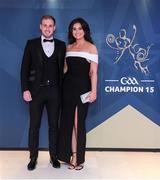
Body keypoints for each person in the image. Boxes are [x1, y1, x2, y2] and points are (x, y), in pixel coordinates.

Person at [21, 15, 66, 170]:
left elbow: (64, 70)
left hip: (55, 91)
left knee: (54, 126)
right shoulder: (31, 44)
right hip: (36, 92)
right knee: (34, 126)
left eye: (50, 25)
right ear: (40, 27)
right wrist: (25, 89)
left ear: (54, 28)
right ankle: (33, 157)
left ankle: (54, 156)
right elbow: (24, 69)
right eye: (45, 25)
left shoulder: (61, 45)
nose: (47, 28)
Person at [57, 17, 98, 170]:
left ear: (85, 30)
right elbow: (65, 69)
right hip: (67, 89)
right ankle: (69, 155)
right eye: (74, 29)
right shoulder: (69, 47)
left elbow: (93, 72)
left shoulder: (91, 48)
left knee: (77, 123)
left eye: (80, 28)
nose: (77, 31)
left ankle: (77, 157)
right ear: (71, 31)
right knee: (67, 122)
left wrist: (94, 91)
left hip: (83, 89)